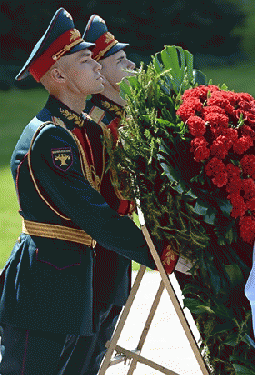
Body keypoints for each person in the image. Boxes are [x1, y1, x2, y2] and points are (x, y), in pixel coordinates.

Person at [0, 8, 170, 374]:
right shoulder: (50, 139)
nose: (96, 65)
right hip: (42, 287)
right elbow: (93, 212)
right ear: (59, 75)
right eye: (84, 59)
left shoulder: (85, 132)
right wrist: (160, 253)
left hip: (73, 281)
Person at [57, 15, 137, 374]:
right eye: (120, 61)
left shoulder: (119, 113)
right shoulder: (97, 121)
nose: (132, 67)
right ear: (100, 71)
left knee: (109, 319)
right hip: (101, 236)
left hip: (120, 229)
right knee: (93, 325)